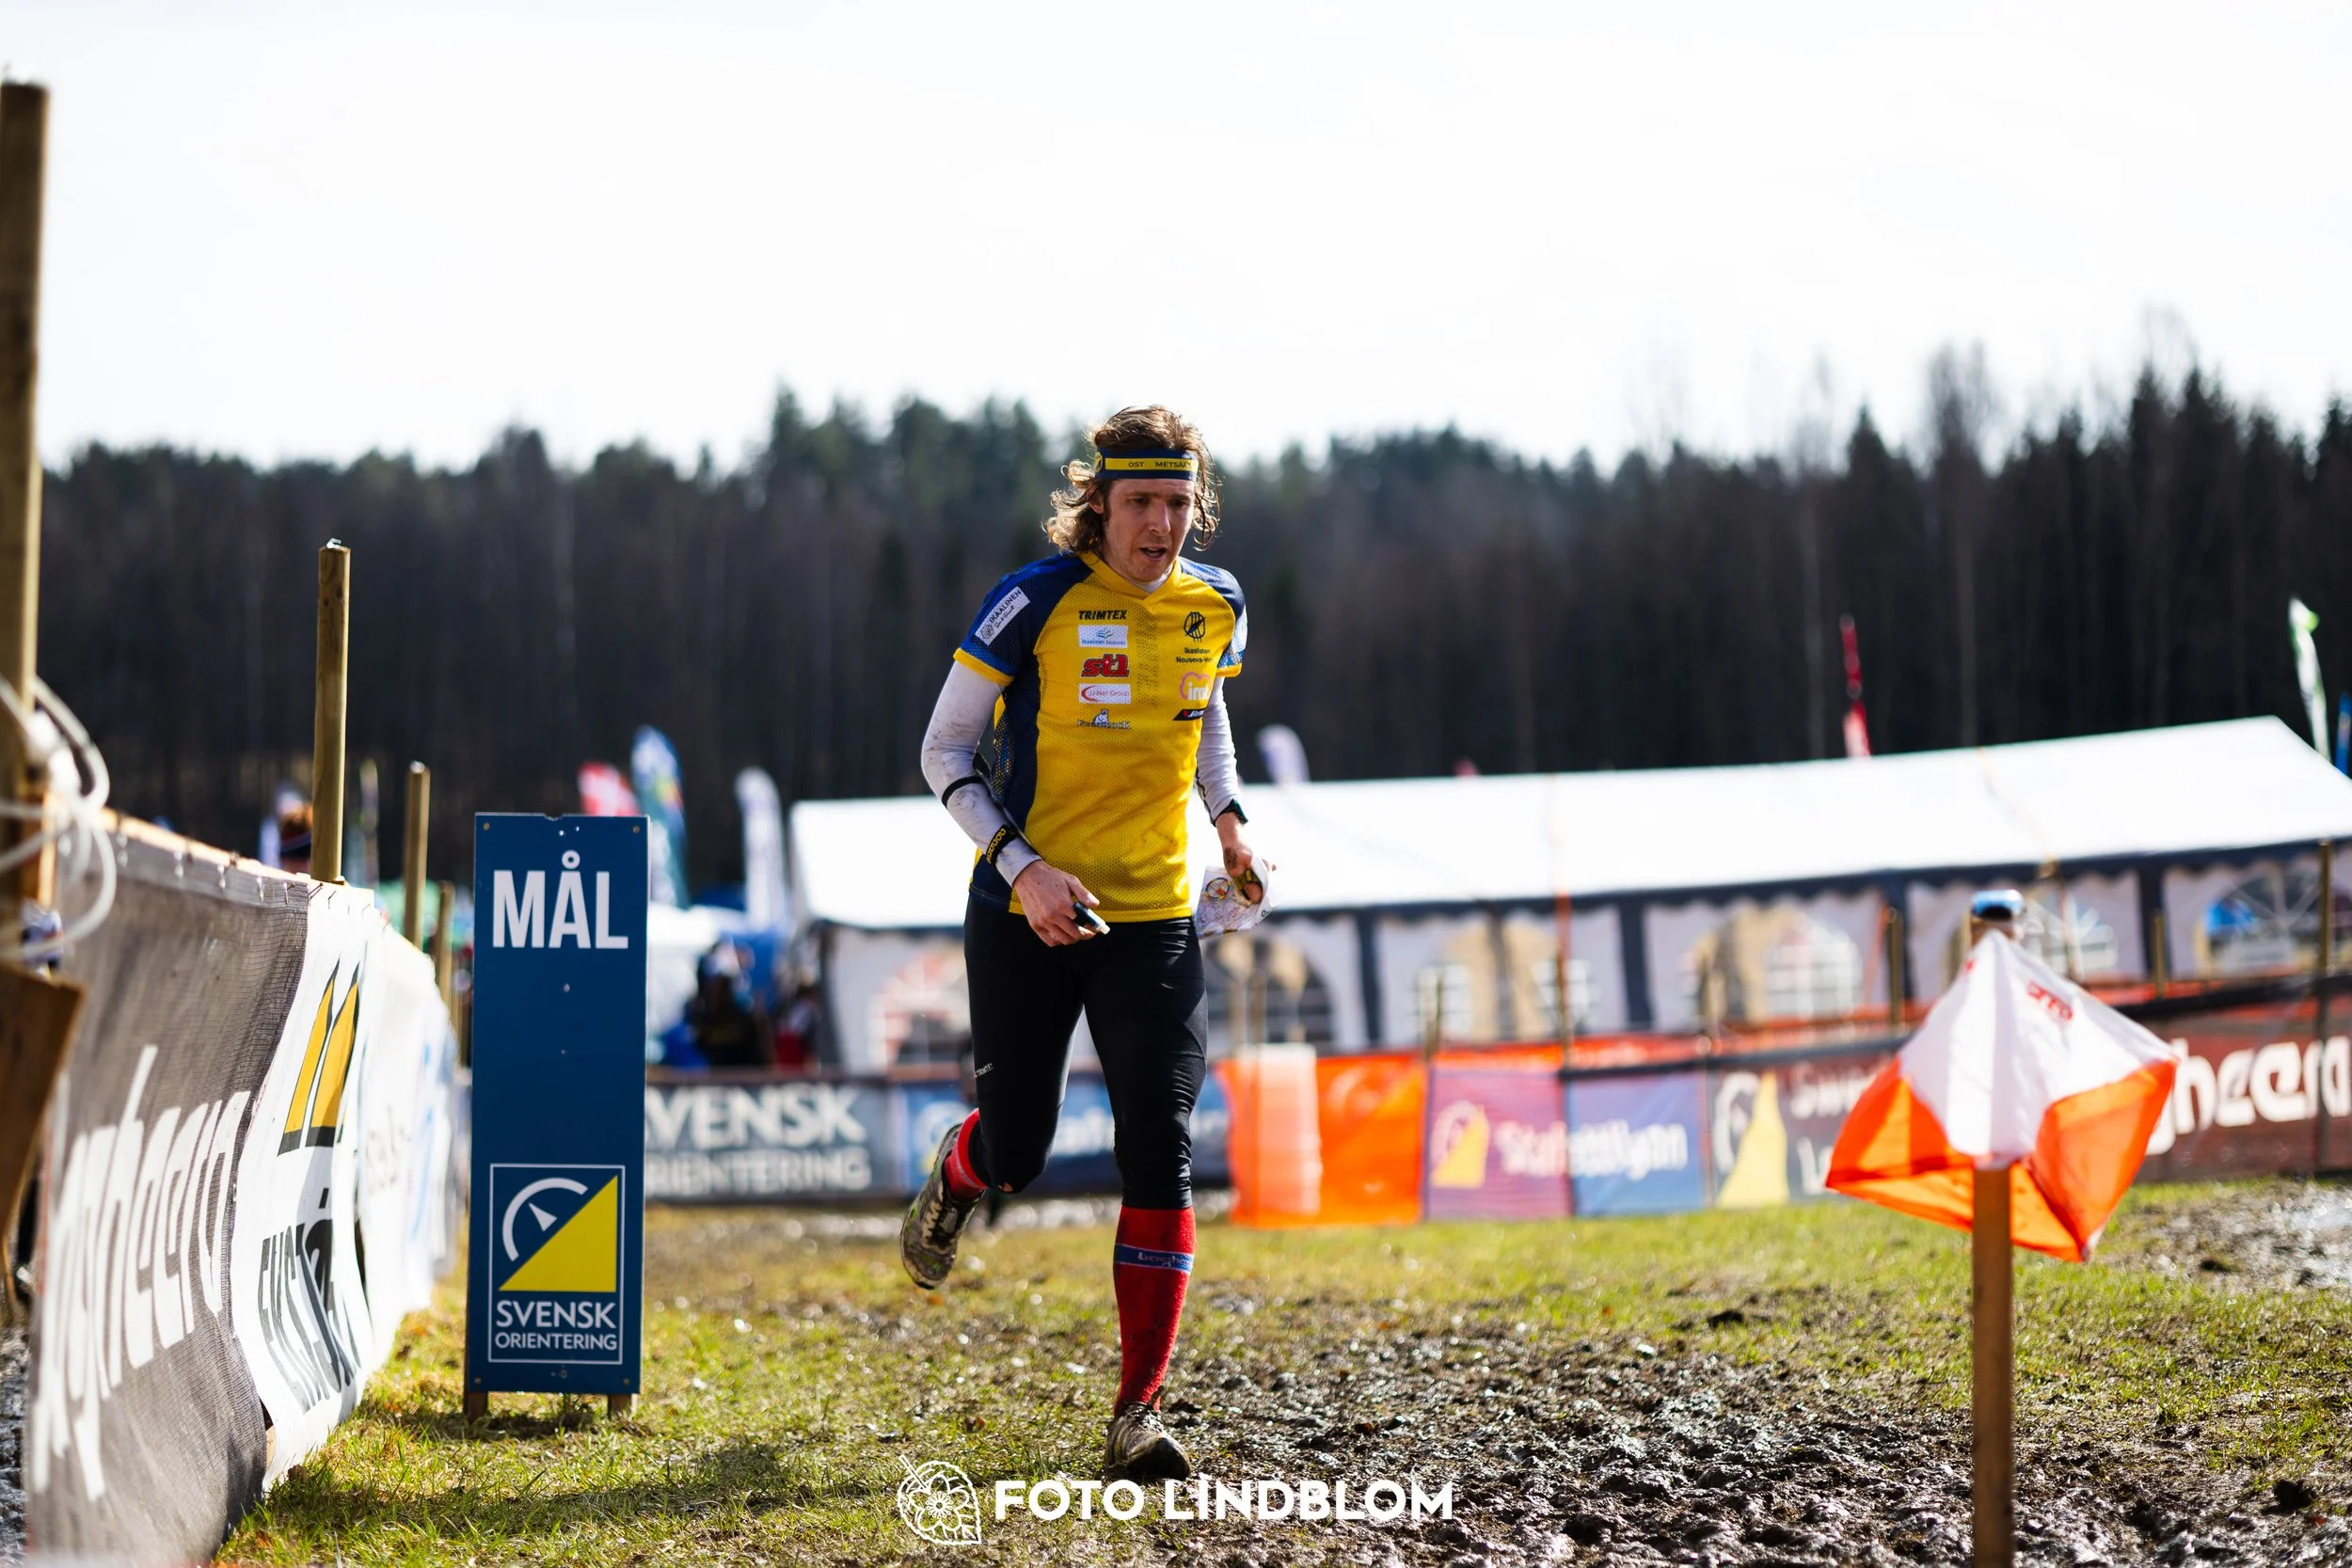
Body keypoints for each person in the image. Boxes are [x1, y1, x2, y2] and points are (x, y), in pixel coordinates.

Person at [902, 404, 1258, 1481]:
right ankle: (960, 1172)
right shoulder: (1034, 600)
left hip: (1151, 919)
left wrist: (1231, 825)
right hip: (1026, 909)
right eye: (1140, 500)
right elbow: (943, 750)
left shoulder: (1219, 604)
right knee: (1021, 1150)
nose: (1159, 523)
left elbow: (1206, 721)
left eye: (1177, 502)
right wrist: (1025, 868)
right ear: (1096, 502)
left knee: (1161, 1143)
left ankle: (1136, 1411)